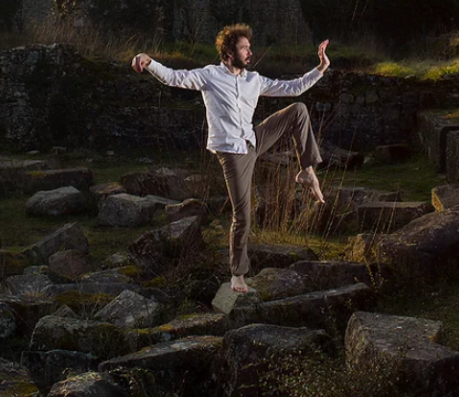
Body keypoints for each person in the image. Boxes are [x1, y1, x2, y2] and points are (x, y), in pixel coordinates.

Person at [131, 24, 329, 293]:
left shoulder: (253, 80)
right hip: (232, 153)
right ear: (228, 53)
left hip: (253, 139)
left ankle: (306, 169)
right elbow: (173, 77)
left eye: (249, 47)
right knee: (243, 215)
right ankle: (238, 274)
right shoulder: (209, 76)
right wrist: (149, 61)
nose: (250, 52)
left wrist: (320, 68)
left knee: (298, 109)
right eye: (244, 48)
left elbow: (293, 88)